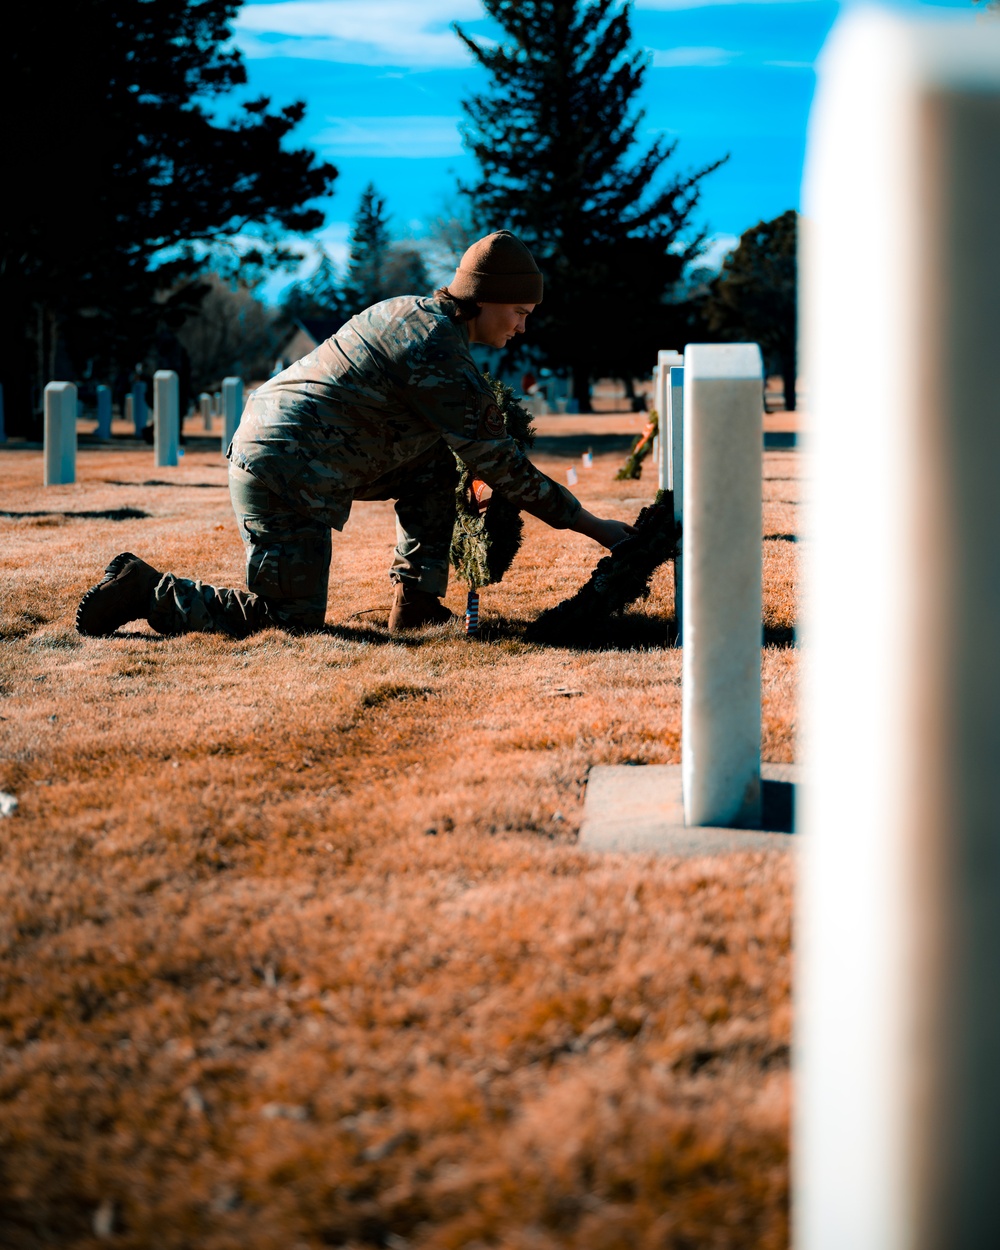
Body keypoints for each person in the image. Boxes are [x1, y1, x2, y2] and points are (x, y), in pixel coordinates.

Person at [76, 230, 633, 640]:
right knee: (288, 623)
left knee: (438, 464)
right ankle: (144, 589)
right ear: (483, 298)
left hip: (288, 449)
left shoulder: (407, 311)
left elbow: (462, 452)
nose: (522, 326)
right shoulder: (437, 355)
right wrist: (597, 528)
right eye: (518, 311)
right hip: (284, 471)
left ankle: (415, 603)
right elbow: (504, 469)